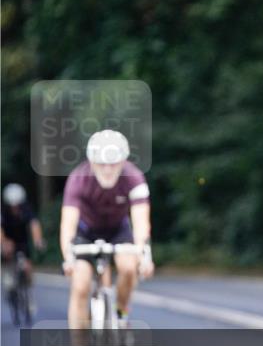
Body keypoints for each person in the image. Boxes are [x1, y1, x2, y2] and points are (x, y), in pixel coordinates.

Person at [60, 130, 154, 329]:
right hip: (85, 232)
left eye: (114, 163)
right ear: (91, 162)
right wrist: (68, 257)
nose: (108, 169)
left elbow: (140, 221)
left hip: (118, 230)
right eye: (101, 164)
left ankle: (121, 312)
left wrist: (145, 254)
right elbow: (68, 223)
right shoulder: (78, 179)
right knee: (81, 285)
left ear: (124, 161)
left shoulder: (134, 177)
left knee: (129, 268)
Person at [1, 183, 45, 286]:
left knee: (28, 266)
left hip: (22, 239)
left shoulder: (26, 208)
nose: (15, 208)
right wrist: (3, 242)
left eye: (17, 205)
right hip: (8, 238)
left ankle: (28, 288)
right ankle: (8, 273)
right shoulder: (3, 211)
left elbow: (34, 224)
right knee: (7, 250)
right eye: (12, 205)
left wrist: (38, 240)